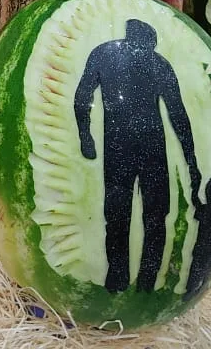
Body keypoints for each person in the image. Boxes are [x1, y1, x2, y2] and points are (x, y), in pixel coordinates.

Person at [73, 18, 201, 294]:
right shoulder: (155, 63)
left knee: (133, 213)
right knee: (140, 214)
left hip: (125, 144)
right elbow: (178, 115)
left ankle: (135, 279)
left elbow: (83, 96)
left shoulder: (106, 55)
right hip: (144, 145)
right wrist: (192, 162)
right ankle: (135, 278)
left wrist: (86, 136)